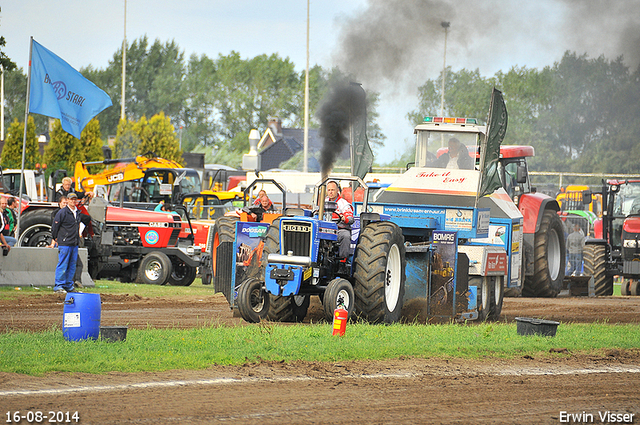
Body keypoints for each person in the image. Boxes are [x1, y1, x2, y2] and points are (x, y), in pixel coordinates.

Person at [51, 192, 82, 294]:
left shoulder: (77, 212)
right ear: (68, 200)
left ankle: (69, 285)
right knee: (63, 265)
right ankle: (59, 286)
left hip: (74, 243)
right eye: (71, 199)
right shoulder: (62, 212)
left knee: (72, 265)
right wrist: (56, 238)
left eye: (75, 199)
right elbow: (55, 227)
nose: (73, 201)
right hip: (65, 243)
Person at [325, 180, 354, 259]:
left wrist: (345, 218)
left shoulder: (343, 203)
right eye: (329, 190)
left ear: (337, 190)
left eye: (333, 190)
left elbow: (350, 218)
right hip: (325, 230)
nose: (330, 192)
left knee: (345, 235)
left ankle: (343, 261)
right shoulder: (324, 202)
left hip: (339, 230)